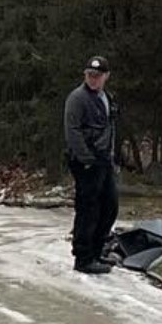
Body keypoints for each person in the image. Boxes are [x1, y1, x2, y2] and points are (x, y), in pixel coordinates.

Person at [64, 56, 120, 274]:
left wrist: (111, 158)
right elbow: (72, 131)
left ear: (106, 76)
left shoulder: (106, 98)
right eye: (89, 75)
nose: (93, 79)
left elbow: (110, 129)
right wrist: (86, 159)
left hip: (104, 160)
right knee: (88, 208)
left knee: (109, 206)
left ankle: (97, 252)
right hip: (86, 162)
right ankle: (83, 257)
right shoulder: (77, 98)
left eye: (97, 76)